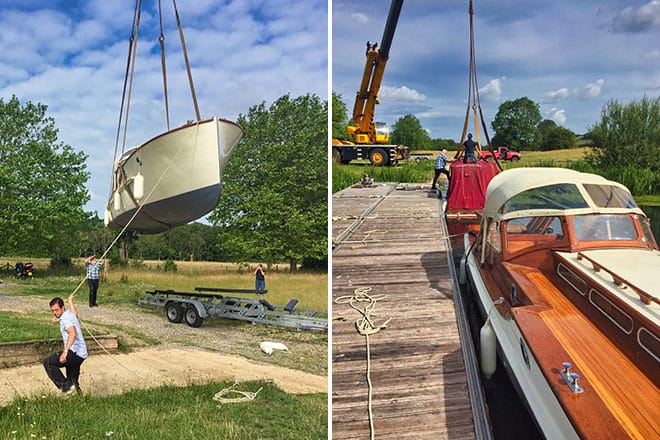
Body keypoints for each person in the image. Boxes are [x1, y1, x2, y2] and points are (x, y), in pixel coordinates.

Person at [44, 294, 88, 395]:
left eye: (56, 310)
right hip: (81, 354)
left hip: (73, 352)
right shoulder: (69, 314)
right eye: (53, 311)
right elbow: (75, 314)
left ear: (62, 308)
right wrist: (70, 301)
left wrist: (65, 351)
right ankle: (79, 399)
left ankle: (66, 388)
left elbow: (72, 333)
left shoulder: (65, 319)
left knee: (48, 363)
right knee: (73, 381)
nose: (55, 313)